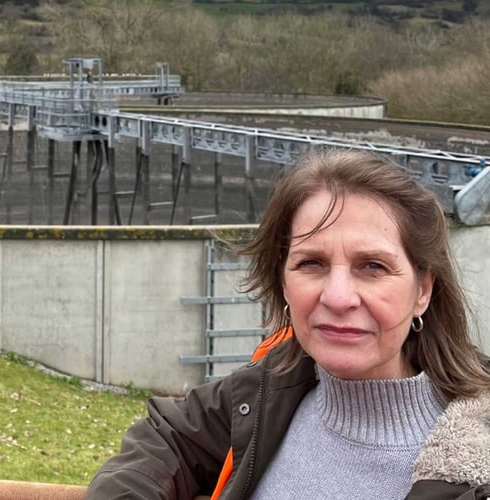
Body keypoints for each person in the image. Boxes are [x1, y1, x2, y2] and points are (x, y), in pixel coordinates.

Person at [86, 148, 490, 499]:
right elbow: (166, 438)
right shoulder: (273, 389)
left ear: (423, 290)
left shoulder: (477, 450)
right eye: (311, 263)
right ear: (282, 280)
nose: (337, 297)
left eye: (373, 266)